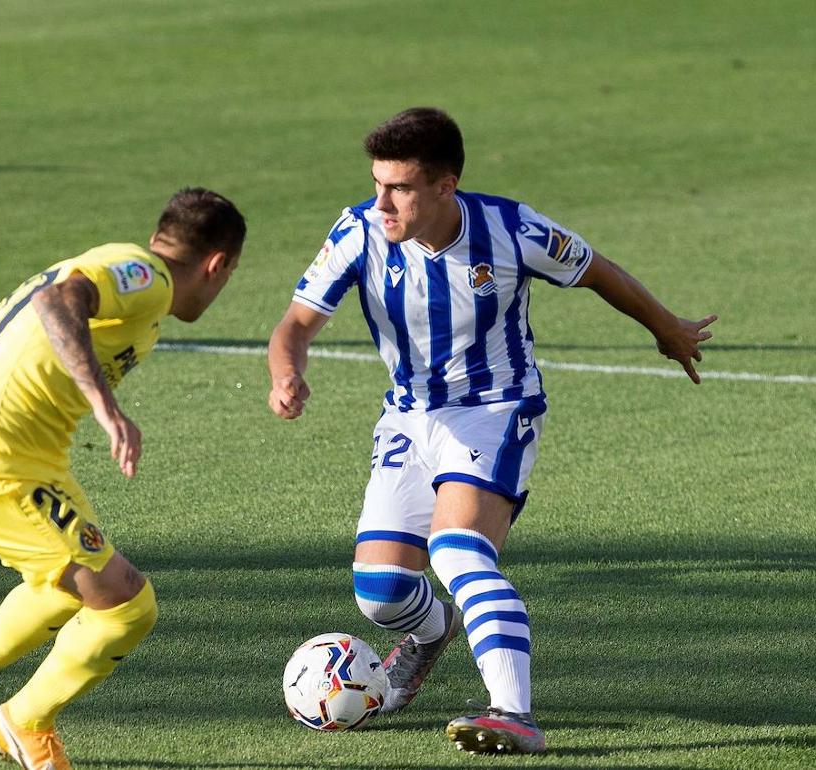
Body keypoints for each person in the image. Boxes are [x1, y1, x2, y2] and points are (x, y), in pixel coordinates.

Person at [267, 108, 714, 755]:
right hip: (409, 416)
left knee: (457, 552)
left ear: (444, 186)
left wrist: (666, 327)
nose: (382, 202)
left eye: (399, 188)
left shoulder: (510, 228)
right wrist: (287, 375)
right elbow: (295, 325)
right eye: (377, 184)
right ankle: (433, 632)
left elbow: (597, 270)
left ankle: (514, 713)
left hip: (497, 409)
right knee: (381, 593)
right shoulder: (359, 231)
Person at [0, 188, 246, 770]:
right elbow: (58, 301)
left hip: (0, 457)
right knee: (127, 605)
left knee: (65, 586)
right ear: (217, 265)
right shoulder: (147, 275)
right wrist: (107, 408)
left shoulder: (130, 270)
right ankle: (26, 719)